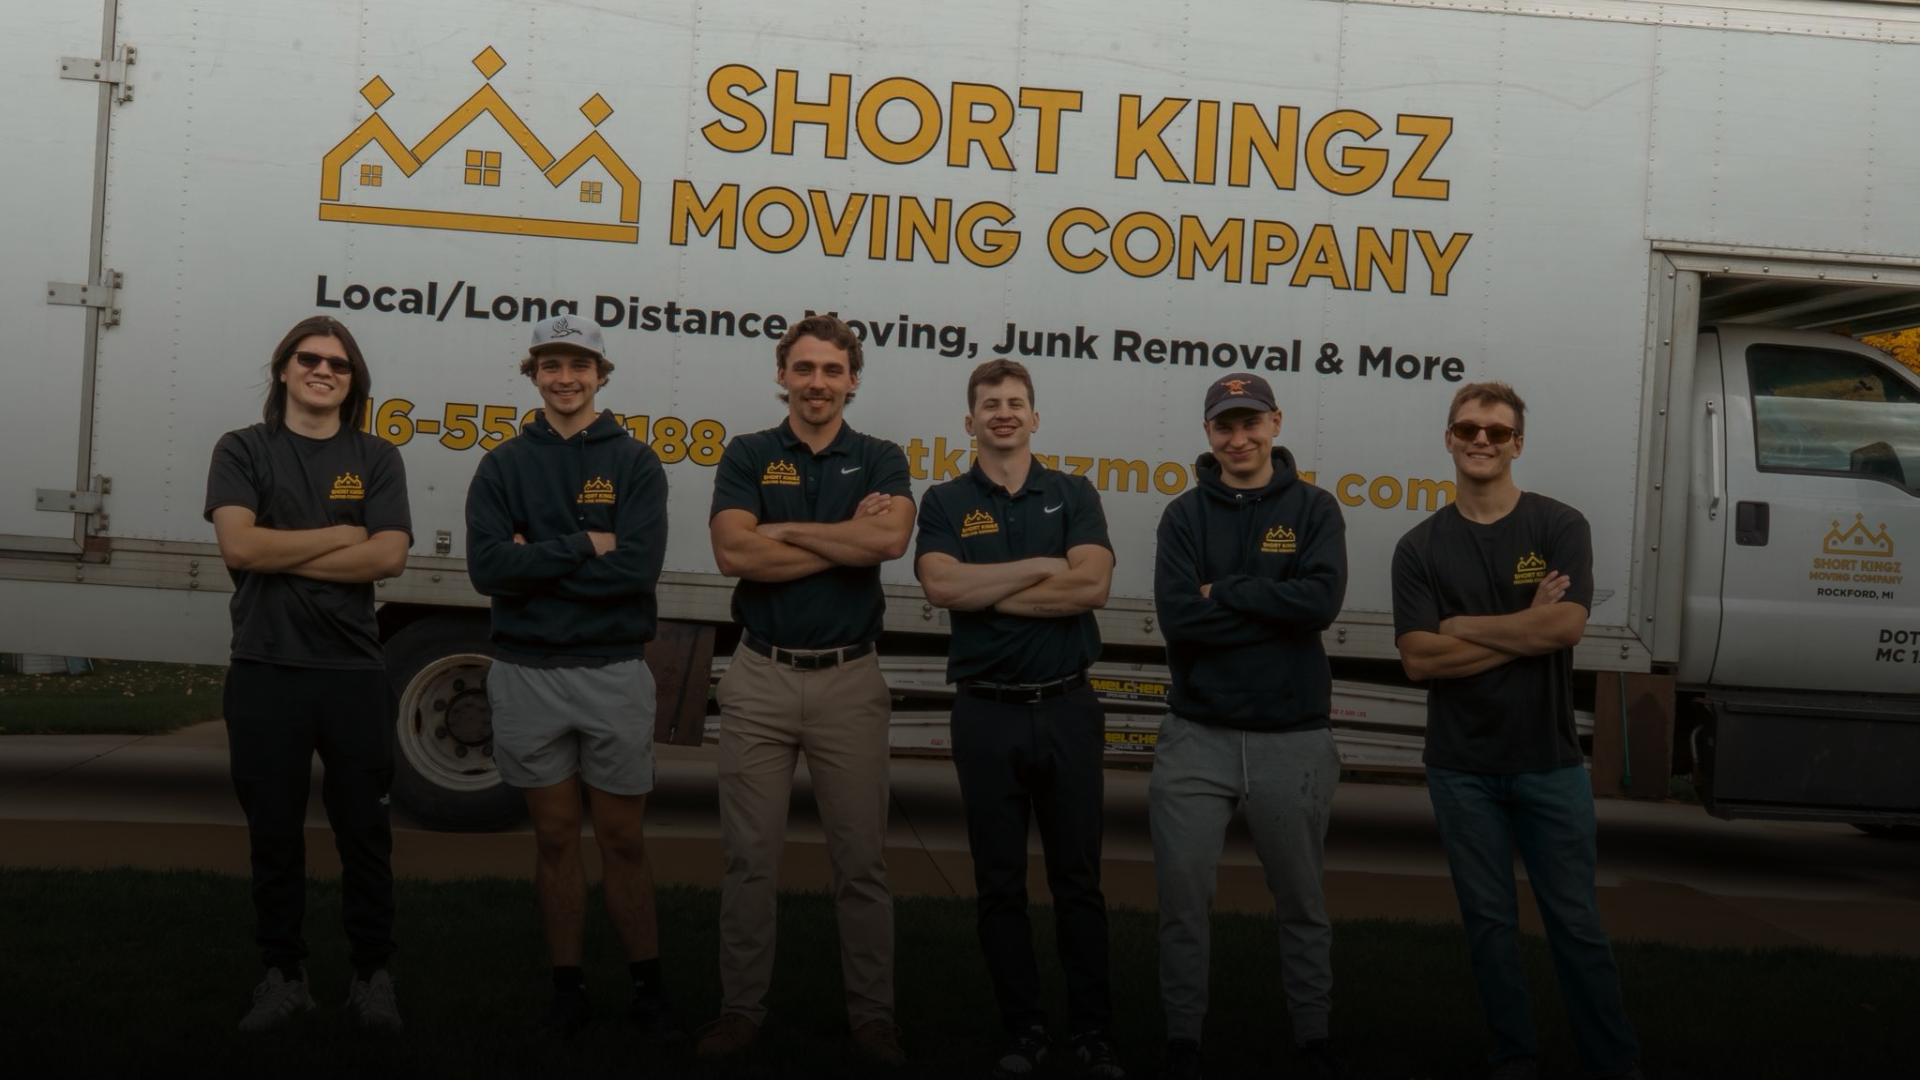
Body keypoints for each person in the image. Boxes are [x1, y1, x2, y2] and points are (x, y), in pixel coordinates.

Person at [1391, 382, 1645, 1080]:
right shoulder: (1420, 546)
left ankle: (1612, 1060)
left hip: (1549, 761)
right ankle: (1514, 1055)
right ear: (1448, 438)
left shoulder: (1559, 525)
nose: (1482, 441)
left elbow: (1565, 626)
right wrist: (1521, 628)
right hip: (1460, 765)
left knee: (1577, 924)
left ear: (1517, 445)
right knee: (1491, 927)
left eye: (1497, 433)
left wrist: (1464, 626)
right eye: (1468, 428)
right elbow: (1417, 659)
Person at [699, 314, 915, 1065]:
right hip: (760, 675)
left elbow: (887, 542)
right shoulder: (750, 452)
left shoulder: (883, 457)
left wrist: (782, 531)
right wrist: (834, 540)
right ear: (782, 375)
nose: (817, 382)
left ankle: (873, 1017)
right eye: (804, 369)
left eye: (832, 370)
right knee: (748, 858)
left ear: (853, 379)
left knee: (861, 862)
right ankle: (740, 1011)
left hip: (850, 680)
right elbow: (732, 552)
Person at [464, 314, 680, 1042]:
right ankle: (569, 991)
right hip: (527, 674)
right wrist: (586, 545)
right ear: (533, 373)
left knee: (621, 839)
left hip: (612, 672)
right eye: (552, 364)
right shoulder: (502, 464)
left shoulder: (636, 462)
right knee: (555, 838)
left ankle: (648, 991)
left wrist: (538, 566)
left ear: (601, 374)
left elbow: (637, 573)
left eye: (579, 365)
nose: (566, 377)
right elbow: (489, 570)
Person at [915, 359, 1124, 1079]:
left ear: (1035, 418)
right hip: (986, 713)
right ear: (969, 422)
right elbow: (941, 584)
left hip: (1067, 707)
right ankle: (1025, 1030)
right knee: (999, 882)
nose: (1003, 413)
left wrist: (990, 592)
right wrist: (1043, 565)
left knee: (1079, 880)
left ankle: (1093, 1032)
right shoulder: (944, 500)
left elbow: (1091, 584)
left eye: (1016, 403)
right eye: (989, 404)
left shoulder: (1072, 492)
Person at [204, 315, 411, 1032]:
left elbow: (387, 558)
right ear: (284, 370)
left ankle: (371, 974)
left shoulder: (377, 456)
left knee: (365, 837)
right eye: (310, 358)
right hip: (265, 668)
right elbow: (238, 545)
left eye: (340, 364)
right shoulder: (242, 449)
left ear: (353, 382)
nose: (324, 370)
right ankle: (284, 974)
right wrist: (338, 536)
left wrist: (277, 546)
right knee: (274, 835)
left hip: (351, 672)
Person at [1149, 373, 1349, 1080]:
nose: (1239, 438)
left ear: (1275, 424)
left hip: (1290, 736)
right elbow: (1179, 617)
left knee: (1300, 899)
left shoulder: (1315, 508)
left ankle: (1313, 1035)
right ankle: (1182, 1038)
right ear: (1208, 433)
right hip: (1196, 734)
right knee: (1181, 900)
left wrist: (1226, 593)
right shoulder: (1183, 516)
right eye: (1224, 425)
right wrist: (1273, 611)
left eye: (1251, 423)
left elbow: (1320, 602)